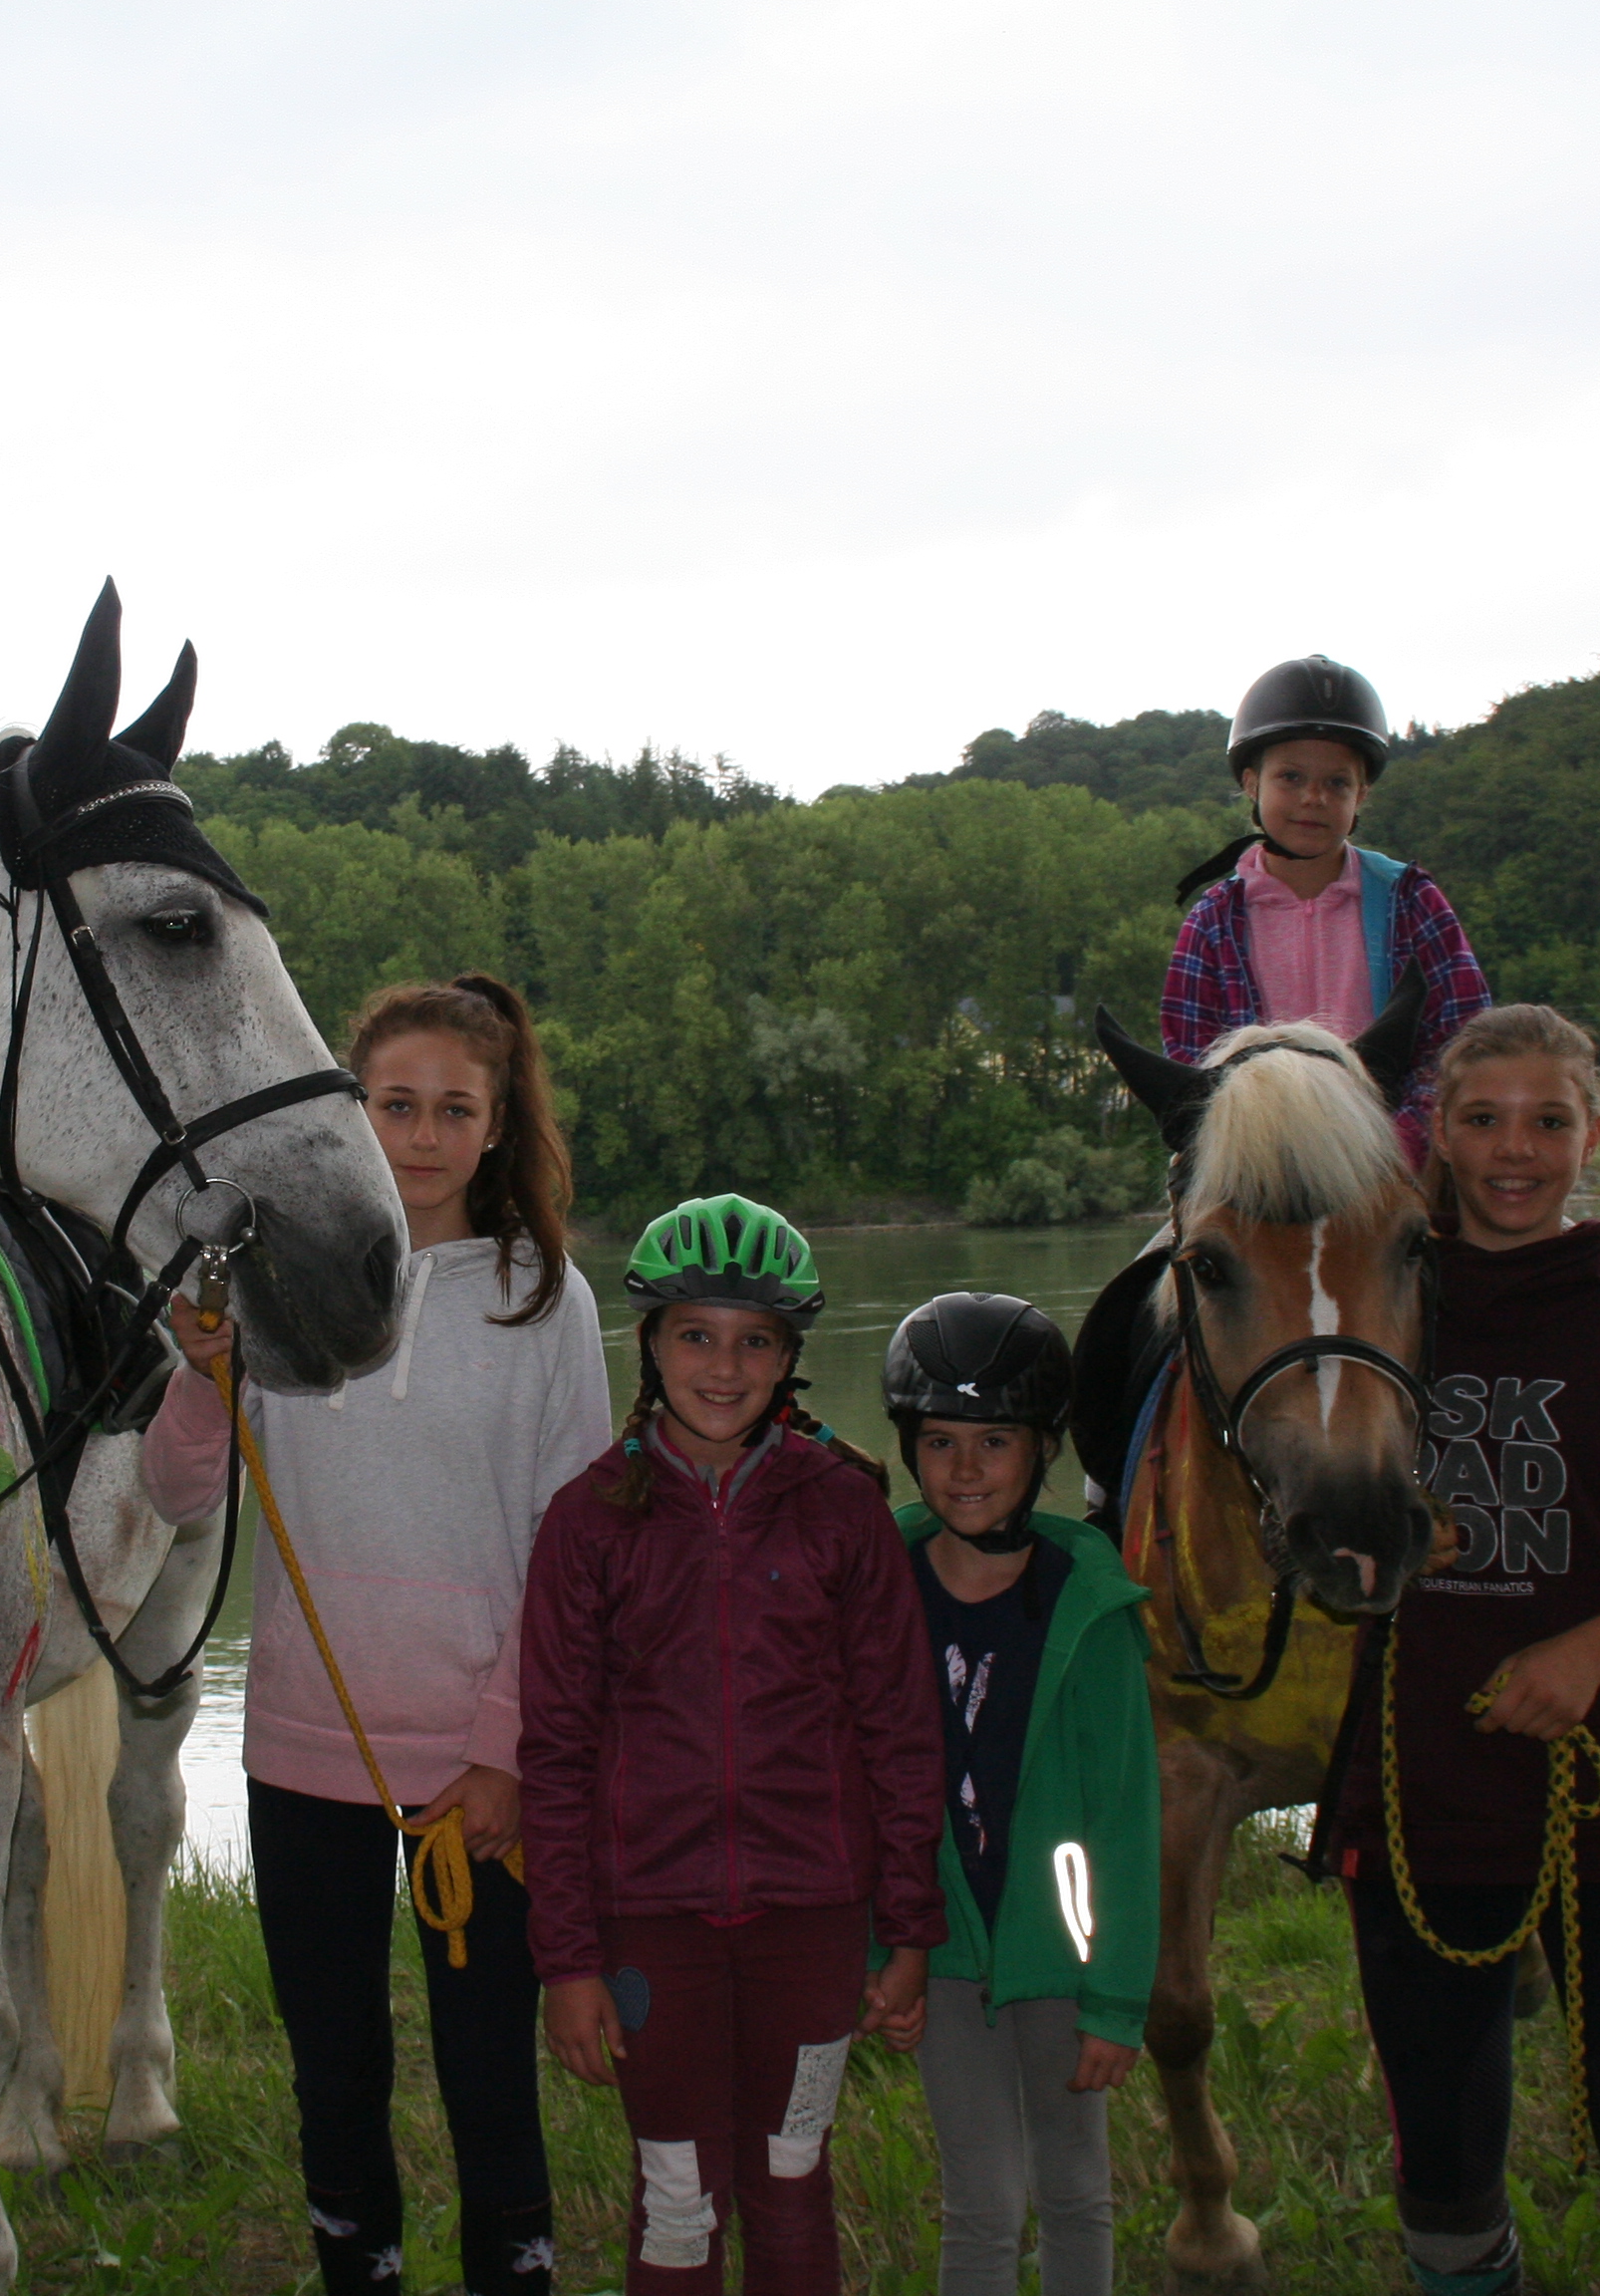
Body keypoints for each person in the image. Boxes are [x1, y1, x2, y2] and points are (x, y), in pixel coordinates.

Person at [142, 974, 606, 2296]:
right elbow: (180, 1493)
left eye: (456, 1108)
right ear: (353, 1112)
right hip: (305, 1757)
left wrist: (509, 1754)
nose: (422, 1134)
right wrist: (203, 1370)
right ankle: (362, 2270)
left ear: (500, 1126)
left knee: (484, 2067)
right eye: (394, 1104)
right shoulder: (279, 1287)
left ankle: (511, 2270)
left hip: (478, 1776)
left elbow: (568, 1558)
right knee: (333, 2068)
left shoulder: (546, 1301)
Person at [1327, 1004, 1600, 2296]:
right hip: (1417, 1804)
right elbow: (1305, 1503)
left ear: (1591, 1137)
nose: (1512, 1149)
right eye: (1481, 1119)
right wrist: (1364, 1549)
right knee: (1444, 2169)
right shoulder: (1373, 1318)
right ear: (1443, 1138)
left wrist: (1586, 1654)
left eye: (1546, 1120)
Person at [517, 1196, 941, 2296]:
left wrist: (908, 1925)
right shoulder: (589, 1519)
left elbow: (900, 1732)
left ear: (792, 1357)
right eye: (696, 1335)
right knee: (674, 2195)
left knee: (793, 2175)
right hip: (647, 1923)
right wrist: (565, 1960)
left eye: (755, 1341)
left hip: (814, 1917)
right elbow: (555, 1755)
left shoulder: (843, 1510)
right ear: (650, 1344)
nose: (724, 1365)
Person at [880, 1292, 1159, 2296]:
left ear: (1043, 1450)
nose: (965, 1470)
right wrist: (887, 1948)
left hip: (1066, 1957)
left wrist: (1119, 1998)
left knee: (1077, 2188)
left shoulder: (1091, 1608)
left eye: (994, 1442)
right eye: (941, 1440)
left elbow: (1128, 1817)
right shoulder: (879, 1591)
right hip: (943, 1955)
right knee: (983, 2203)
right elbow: (863, 1792)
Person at [1164, 653, 1491, 1155]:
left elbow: (1463, 1032)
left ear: (1361, 795)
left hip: (1396, 1154)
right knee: (1185, 1235)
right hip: (1262, 1158)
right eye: (1290, 777)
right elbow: (1190, 1051)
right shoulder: (1212, 922)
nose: (1313, 797)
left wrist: (1396, 1139)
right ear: (1252, 784)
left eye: (1336, 782)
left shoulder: (1411, 899)